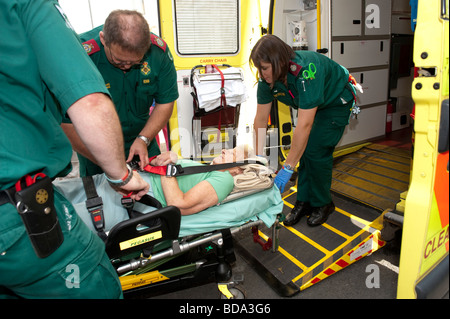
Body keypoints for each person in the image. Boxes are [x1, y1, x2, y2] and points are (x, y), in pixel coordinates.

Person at [0, 0, 149, 299]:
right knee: (96, 281)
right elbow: (90, 104)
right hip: (17, 214)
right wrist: (121, 175)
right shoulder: (26, 6)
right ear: (104, 41)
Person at [250, 34, 358, 227]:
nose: (261, 73)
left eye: (264, 68)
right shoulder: (266, 81)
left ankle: (323, 203)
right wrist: (258, 158)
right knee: (305, 151)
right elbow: (259, 121)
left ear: (279, 62)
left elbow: (304, 126)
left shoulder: (306, 71)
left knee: (316, 150)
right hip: (316, 104)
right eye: (259, 68)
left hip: (335, 101)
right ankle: (305, 201)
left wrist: (287, 168)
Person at [62, 9, 179, 175]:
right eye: (119, 61)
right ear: (103, 39)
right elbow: (66, 123)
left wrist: (143, 139)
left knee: (154, 195)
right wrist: (109, 162)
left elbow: (165, 102)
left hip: (143, 143)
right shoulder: (80, 56)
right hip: (95, 151)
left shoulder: (158, 52)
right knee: (100, 199)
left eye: (135, 62)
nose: (127, 67)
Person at [54, 146, 274, 233]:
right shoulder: (205, 168)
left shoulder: (223, 179)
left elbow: (178, 205)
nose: (225, 149)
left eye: (232, 153)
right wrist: (163, 161)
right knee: (50, 194)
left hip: (135, 200)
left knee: (56, 221)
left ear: (237, 168)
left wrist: (167, 168)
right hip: (120, 182)